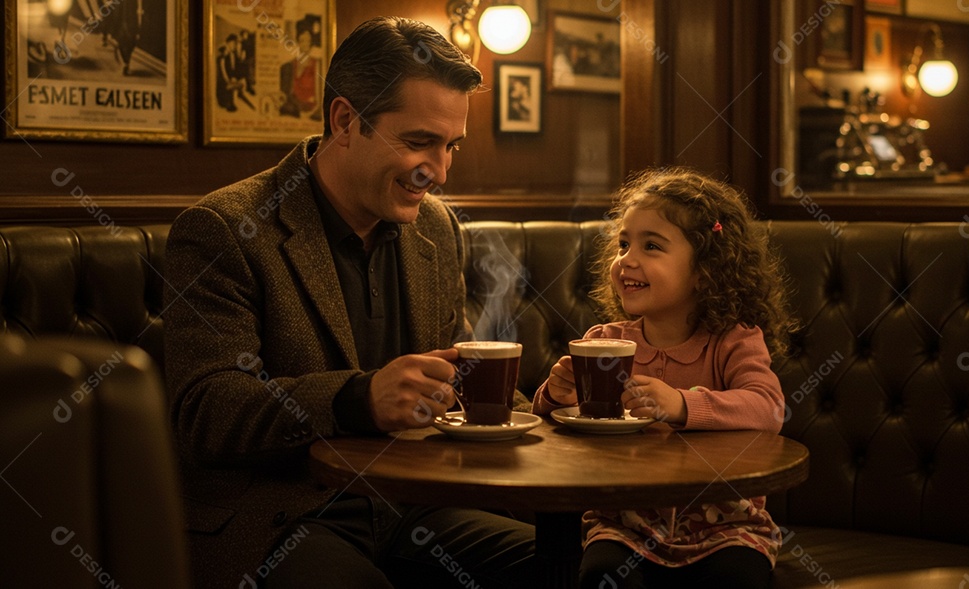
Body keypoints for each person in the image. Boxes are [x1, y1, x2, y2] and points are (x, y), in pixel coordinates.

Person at [166, 16, 536, 589]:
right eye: (418, 142)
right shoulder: (225, 227)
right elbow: (206, 413)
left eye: (451, 146)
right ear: (345, 120)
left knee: (567, 566)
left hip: (413, 502)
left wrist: (546, 403)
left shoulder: (436, 229)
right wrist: (358, 397)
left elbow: (452, 377)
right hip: (284, 519)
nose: (437, 171)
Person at [532, 167, 796, 588]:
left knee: (736, 577)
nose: (626, 260)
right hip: (625, 525)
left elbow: (769, 408)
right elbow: (555, 434)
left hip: (726, 529)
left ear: (705, 270)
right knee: (602, 574)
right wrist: (553, 396)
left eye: (651, 246)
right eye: (623, 244)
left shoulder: (733, 341)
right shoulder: (604, 342)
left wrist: (681, 404)